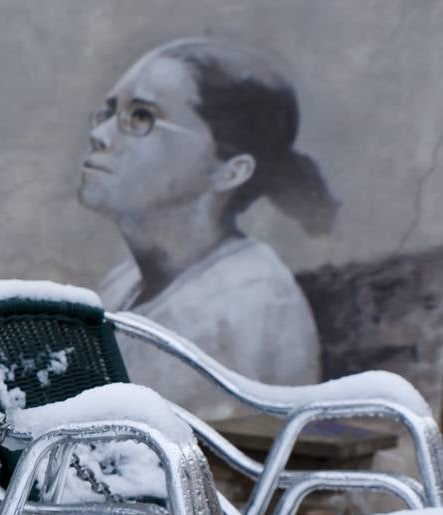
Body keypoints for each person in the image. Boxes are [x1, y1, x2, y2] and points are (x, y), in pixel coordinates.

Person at [78, 38, 338, 421]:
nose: (99, 135)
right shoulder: (128, 281)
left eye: (140, 117)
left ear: (230, 170)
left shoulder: (243, 307)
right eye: (107, 113)